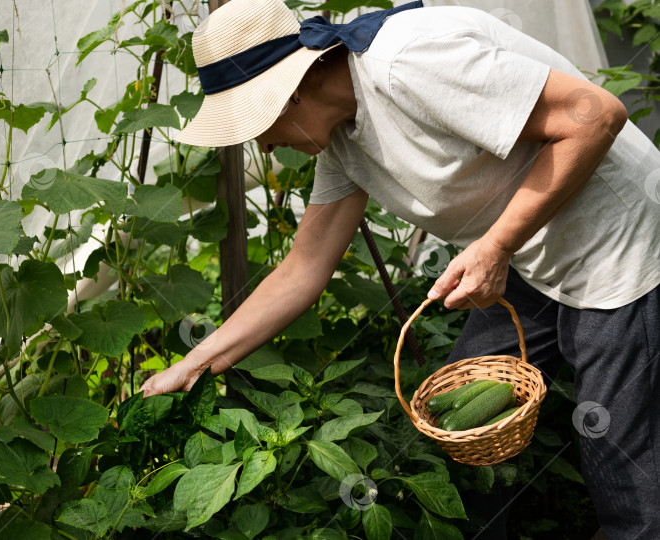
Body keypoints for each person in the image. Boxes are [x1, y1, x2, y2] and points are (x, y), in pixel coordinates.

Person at [140, 0, 660, 538]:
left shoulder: (410, 63)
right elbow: (303, 267)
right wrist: (195, 364)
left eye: (259, 125)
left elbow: (595, 115)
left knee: (626, 475)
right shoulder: (341, 140)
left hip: (617, 245)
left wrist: (496, 246)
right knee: (457, 433)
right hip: (530, 255)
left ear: (290, 91)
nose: (266, 146)